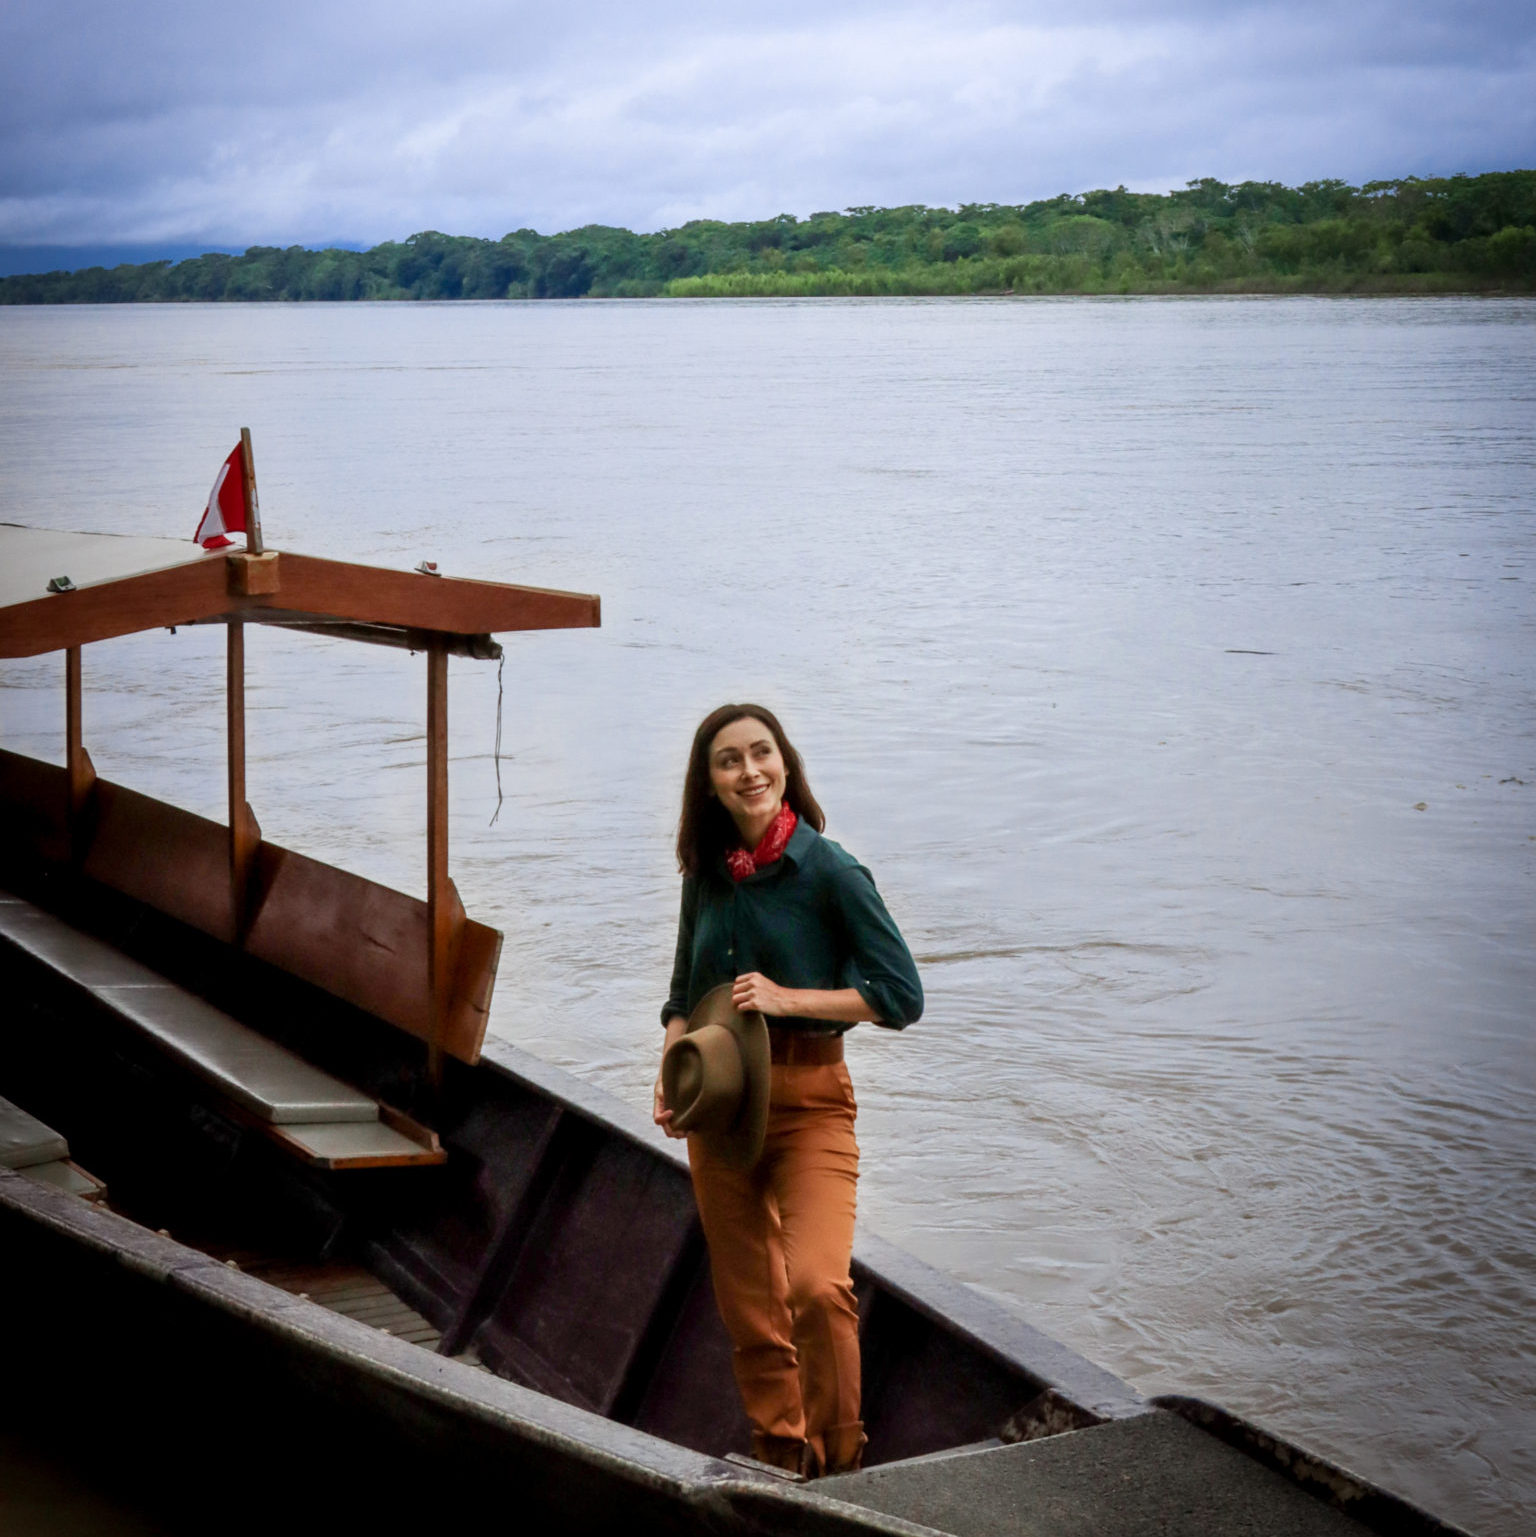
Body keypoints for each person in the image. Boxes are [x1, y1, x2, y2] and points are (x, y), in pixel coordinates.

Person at [654, 703, 923, 1479]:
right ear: (709, 785)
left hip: (811, 1104)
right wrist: (672, 1071)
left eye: (761, 753)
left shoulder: (831, 871)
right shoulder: (706, 876)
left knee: (815, 1285)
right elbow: (682, 992)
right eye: (729, 760)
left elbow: (899, 995)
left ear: (786, 762)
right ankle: (780, 1459)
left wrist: (787, 998)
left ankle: (842, 1468)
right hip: (723, 1110)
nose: (750, 771)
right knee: (751, 1311)